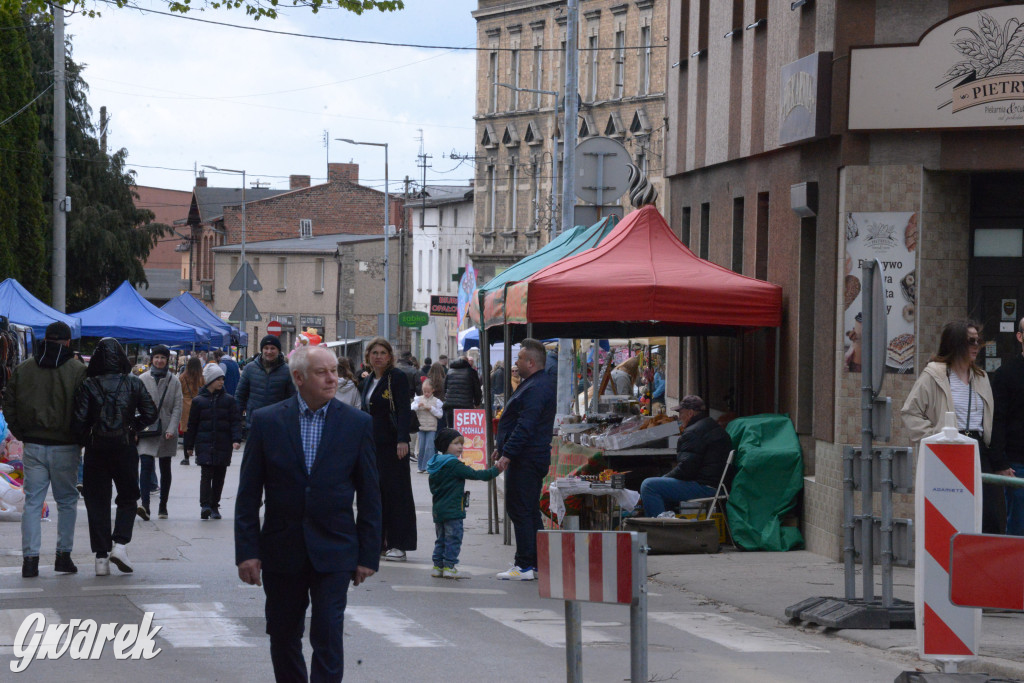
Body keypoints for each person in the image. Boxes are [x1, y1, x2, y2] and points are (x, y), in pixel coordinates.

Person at [236, 345, 381, 683]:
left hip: (335, 548)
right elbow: (248, 495)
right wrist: (247, 552)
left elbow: (370, 495)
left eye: (334, 371)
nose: (332, 379)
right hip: (282, 549)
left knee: (328, 632)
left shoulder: (357, 424)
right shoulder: (267, 421)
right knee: (284, 634)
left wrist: (368, 554)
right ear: (298, 378)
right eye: (322, 372)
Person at [902, 319, 1013, 534]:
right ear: (954, 343)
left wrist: (998, 458)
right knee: (952, 510)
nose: (976, 346)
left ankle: (980, 554)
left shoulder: (981, 377)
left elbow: (992, 419)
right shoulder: (935, 375)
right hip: (949, 447)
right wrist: (936, 436)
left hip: (978, 448)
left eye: (978, 340)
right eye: (970, 341)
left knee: (990, 514)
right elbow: (910, 412)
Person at [3, 321, 87, 578]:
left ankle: (30, 561)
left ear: (45, 339)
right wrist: (79, 438)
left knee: (32, 502)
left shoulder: (24, 368)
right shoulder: (78, 370)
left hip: (33, 444)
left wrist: (21, 432)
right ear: (68, 342)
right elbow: (85, 410)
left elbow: (9, 404)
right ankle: (63, 556)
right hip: (65, 446)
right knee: (67, 502)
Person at [72, 337, 158, 575]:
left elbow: (78, 421)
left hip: (96, 448)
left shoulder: (88, 384)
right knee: (128, 496)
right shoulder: (133, 383)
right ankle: (120, 545)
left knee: (97, 501)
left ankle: (101, 558)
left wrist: (87, 438)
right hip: (124, 445)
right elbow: (151, 413)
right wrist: (132, 428)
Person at [493, 338, 557, 581]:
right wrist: (502, 447)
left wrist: (508, 453)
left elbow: (525, 425)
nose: (515, 362)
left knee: (520, 509)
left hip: (527, 457)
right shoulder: (533, 384)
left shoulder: (537, 387)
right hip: (527, 455)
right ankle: (535, 562)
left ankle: (524, 565)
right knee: (528, 509)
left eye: (519, 358)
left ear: (531, 362)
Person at [360, 337, 416, 561]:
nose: (378, 356)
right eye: (374, 353)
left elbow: (403, 409)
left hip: (394, 445)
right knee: (376, 494)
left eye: (383, 353)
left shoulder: (397, 377)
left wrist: (402, 439)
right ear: (368, 356)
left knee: (397, 494)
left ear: (390, 356)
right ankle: (380, 542)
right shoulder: (369, 380)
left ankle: (399, 544)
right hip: (373, 445)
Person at [638, 395, 733, 517]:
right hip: (718, 484)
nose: (679, 417)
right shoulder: (710, 425)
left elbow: (686, 470)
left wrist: (665, 477)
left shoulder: (693, 432)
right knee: (661, 484)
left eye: (681, 413)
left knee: (649, 486)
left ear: (690, 413)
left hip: (706, 487)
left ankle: (659, 526)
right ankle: (668, 523)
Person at [427, 428, 503, 578]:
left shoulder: (435, 465)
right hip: (453, 509)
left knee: (441, 539)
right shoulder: (454, 465)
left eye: (461, 443)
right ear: (445, 445)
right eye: (456, 443)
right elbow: (476, 474)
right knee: (453, 538)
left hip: (438, 509)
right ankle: (449, 566)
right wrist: (496, 470)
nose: (460, 447)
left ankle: (438, 566)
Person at [184, 364, 242, 519]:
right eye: (218, 379)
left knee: (219, 476)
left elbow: (235, 421)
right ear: (210, 381)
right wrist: (189, 446)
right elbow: (192, 425)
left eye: (222, 379)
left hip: (223, 444)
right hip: (204, 443)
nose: (221, 382)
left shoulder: (229, 400)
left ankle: (215, 505)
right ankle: (205, 505)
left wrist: (236, 439)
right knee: (206, 474)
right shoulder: (198, 401)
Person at [137, 345, 183, 521]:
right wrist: (136, 427)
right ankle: (145, 505)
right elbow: (136, 405)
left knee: (165, 467)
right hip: (147, 429)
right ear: (152, 359)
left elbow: (177, 407)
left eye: (162, 358)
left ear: (167, 360)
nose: (159, 361)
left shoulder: (174, 381)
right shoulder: (142, 379)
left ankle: (163, 505)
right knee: (145, 465)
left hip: (166, 430)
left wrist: (172, 428)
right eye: (156, 357)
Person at [991, 317, 1024, 536]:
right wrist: (1000, 461)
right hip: (1017, 464)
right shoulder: (1006, 374)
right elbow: (997, 419)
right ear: (1020, 337)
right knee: (1018, 527)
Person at [235, 335, 295, 431]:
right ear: (262, 350)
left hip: (278, 425)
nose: (269, 352)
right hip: (254, 424)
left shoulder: (287, 371)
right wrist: (237, 424)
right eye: (266, 348)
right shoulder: (249, 369)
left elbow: (292, 399)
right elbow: (240, 397)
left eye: (272, 348)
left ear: (278, 350)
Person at [412, 379, 444, 473]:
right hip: (421, 427)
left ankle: (428, 467)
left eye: (428, 392)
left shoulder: (437, 401)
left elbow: (440, 415)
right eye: (424, 391)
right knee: (421, 447)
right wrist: (418, 406)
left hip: (431, 427)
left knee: (429, 447)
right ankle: (421, 466)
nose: (426, 393)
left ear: (433, 390)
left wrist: (431, 409)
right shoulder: (418, 399)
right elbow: (411, 408)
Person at [443, 354, 483, 429]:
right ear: (467, 362)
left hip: (450, 406)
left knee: (451, 430)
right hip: (466, 406)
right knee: (465, 430)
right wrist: (477, 403)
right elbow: (477, 390)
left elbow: (444, 388)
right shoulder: (471, 372)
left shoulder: (449, 371)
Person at [179, 356, 204, 465]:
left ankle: (186, 458)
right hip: (199, 403)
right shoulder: (201, 377)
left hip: (186, 404)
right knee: (198, 431)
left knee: (187, 432)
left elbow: (179, 392)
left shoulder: (182, 377)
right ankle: (198, 456)